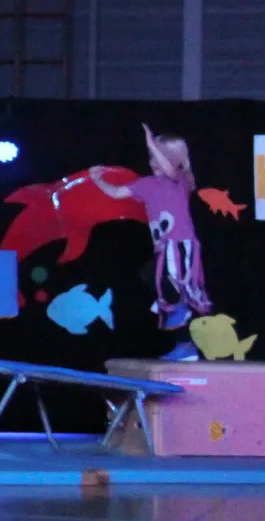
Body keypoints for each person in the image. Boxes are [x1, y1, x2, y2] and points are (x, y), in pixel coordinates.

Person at [90, 124, 210, 362]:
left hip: (179, 244)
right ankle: (184, 343)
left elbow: (171, 171)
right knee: (152, 278)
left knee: (171, 292)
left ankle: (183, 322)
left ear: (178, 160)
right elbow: (116, 193)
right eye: (152, 155)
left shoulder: (180, 180)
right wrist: (98, 180)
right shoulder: (146, 184)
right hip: (163, 249)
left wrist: (152, 144)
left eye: (162, 155)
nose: (155, 160)